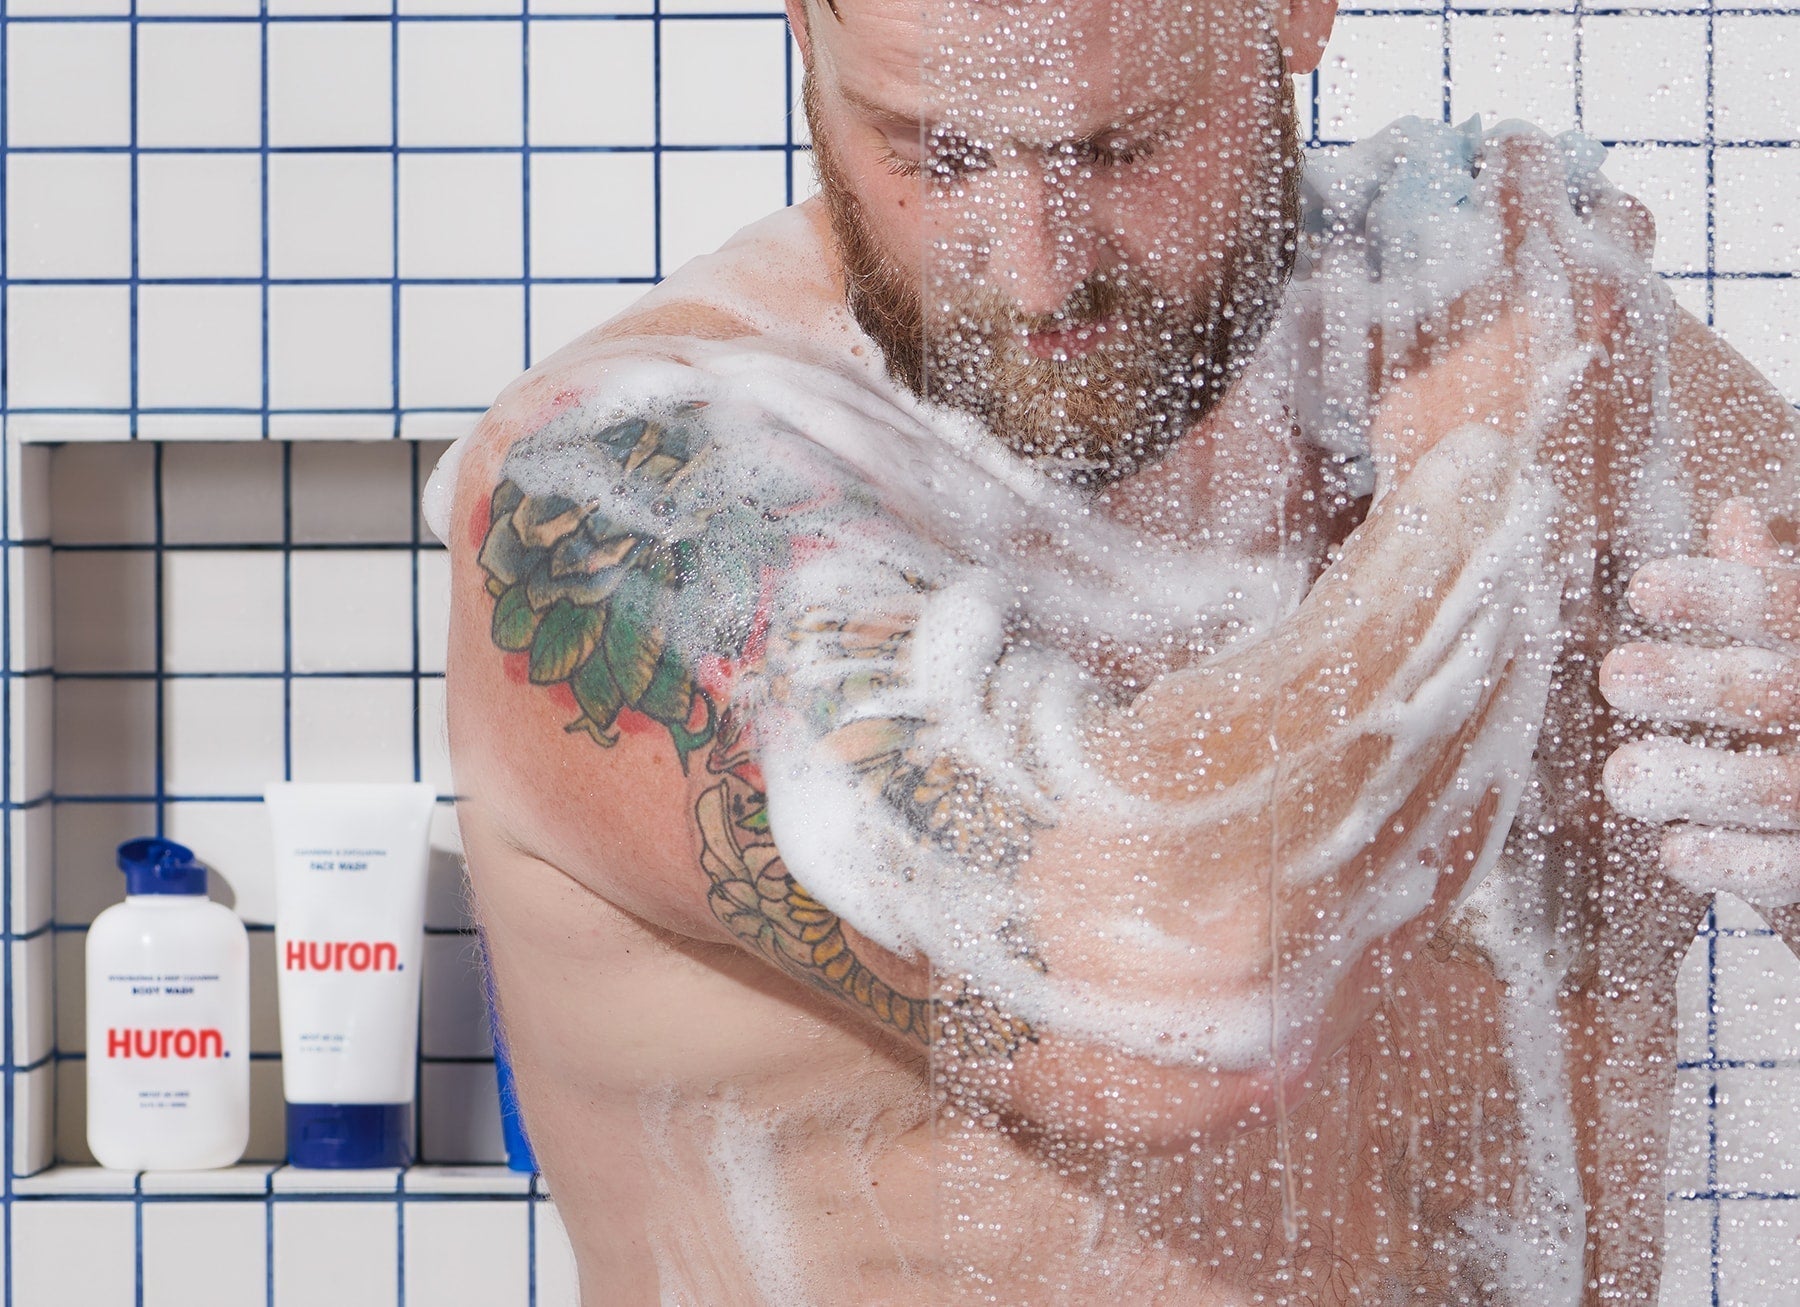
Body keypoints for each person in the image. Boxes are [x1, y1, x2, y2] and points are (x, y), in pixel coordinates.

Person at [433, 0, 1800, 1301]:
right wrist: (1477, 492)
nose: (1040, 267)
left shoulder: (1518, 337)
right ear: (802, 25)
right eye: (935, 152)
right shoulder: (632, 503)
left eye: (1121, 147)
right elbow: (1182, 986)